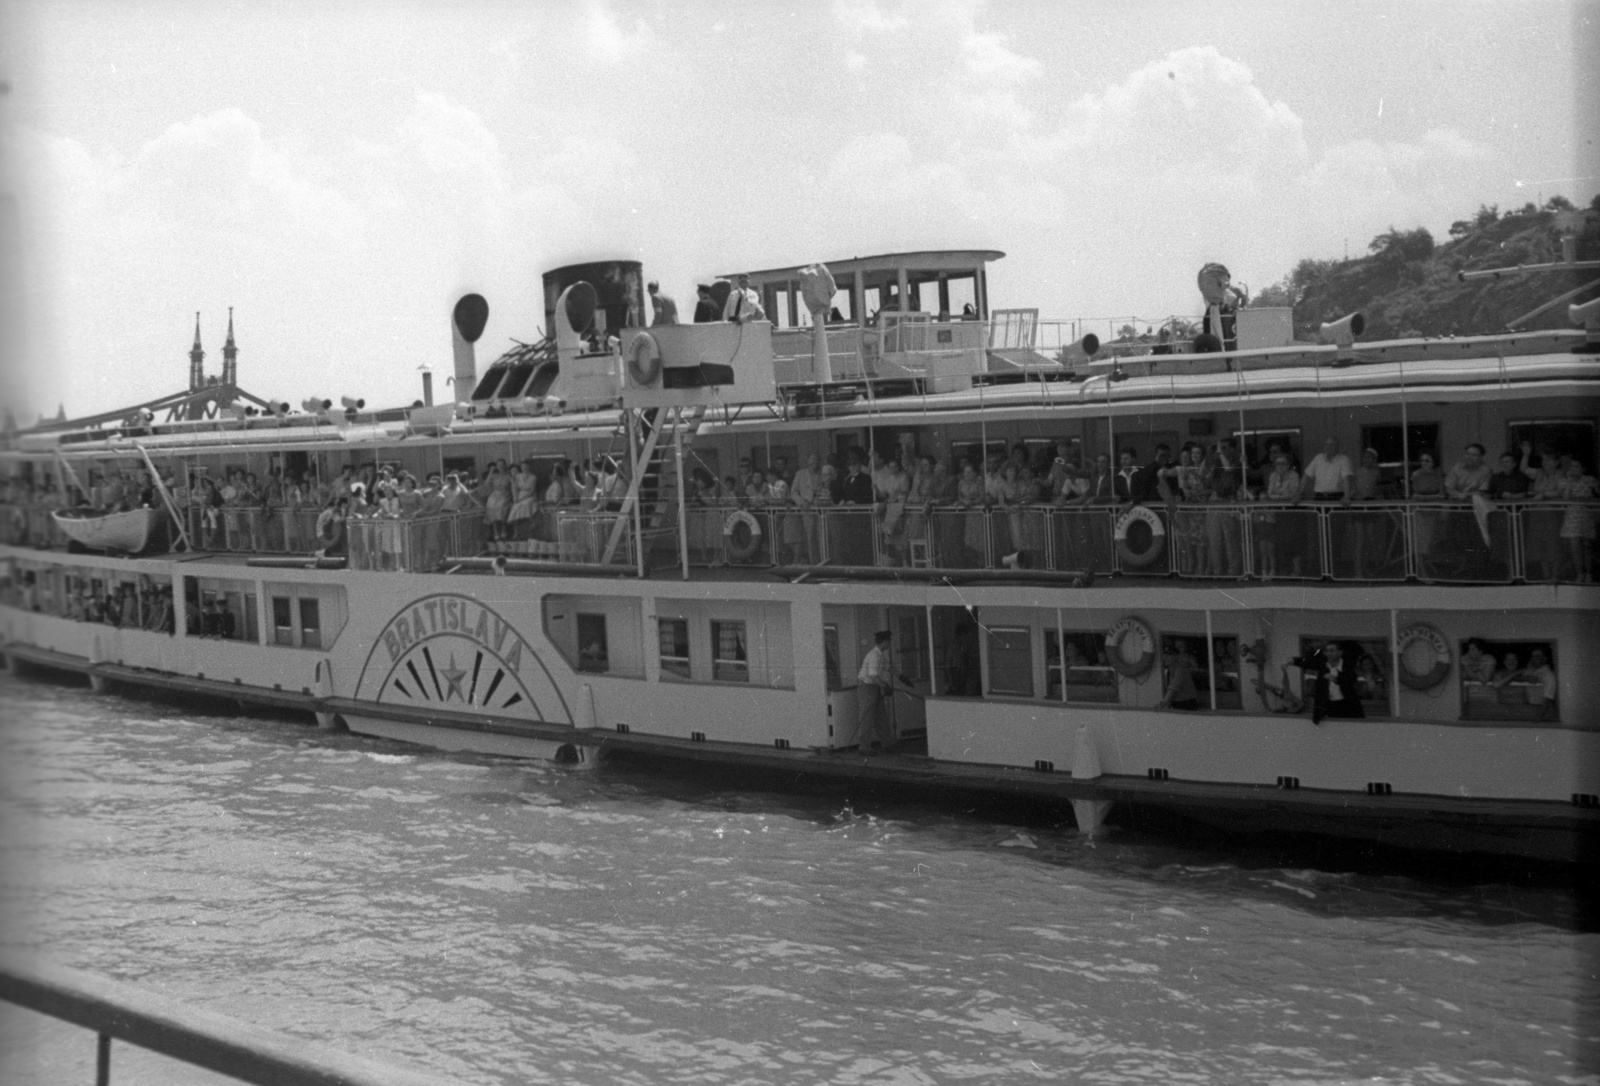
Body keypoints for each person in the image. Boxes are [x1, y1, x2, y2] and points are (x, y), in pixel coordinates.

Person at [856, 630, 908, 752]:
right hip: (867, 687)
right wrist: (884, 686)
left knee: (881, 716)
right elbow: (873, 675)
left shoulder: (881, 654)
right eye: (889, 641)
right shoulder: (874, 655)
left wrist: (901, 677)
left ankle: (887, 743)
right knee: (867, 717)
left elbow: (888, 667)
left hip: (875, 686)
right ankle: (863, 747)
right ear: (884, 642)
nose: (890, 643)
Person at [1291, 641, 1365, 724]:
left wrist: (1335, 679)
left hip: (1347, 706)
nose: (1328, 653)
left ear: (1340, 652)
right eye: (1326, 651)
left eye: (1331, 651)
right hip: (1330, 706)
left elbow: (1350, 680)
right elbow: (1308, 662)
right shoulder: (1323, 665)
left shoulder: (1348, 666)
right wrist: (1292, 661)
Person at [1556, 456, 1597, 582]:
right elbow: (1566, 497)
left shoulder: (1590, 480)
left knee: (1586, 546)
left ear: (1583, 469)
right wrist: (1570, 482)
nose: (1573, 469)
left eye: (1576, 466)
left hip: (1586, 516)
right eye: (1571, 467)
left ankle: (1589, 573)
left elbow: (1596, 495)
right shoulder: (1564, 481)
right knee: (1575, 546)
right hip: (1572, 517)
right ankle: (1579, 573)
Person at [1300, 436, 1354, 504]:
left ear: (1337, 447)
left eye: (1332, 445)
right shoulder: (1318, 458)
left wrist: (1347, 497)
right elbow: (1306, 476)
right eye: (1326, 444)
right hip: (1319, 497)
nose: (1328, 447)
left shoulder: (1344, 459)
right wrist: (1299, 494)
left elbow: (1346, 479)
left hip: (1336, 497)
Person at [1157, 639, 1202, 710]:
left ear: (1176, 656)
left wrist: (1163, 703)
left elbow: (1173, 687)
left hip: (1186, 704)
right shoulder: (1168, 670)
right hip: (1175, 703)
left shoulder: (1181, 669)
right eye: (1164, 655)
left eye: (1169, 655)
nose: (1165, 657)